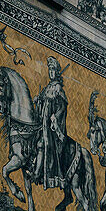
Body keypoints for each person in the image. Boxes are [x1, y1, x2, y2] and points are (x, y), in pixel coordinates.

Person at [36, 56, 68, 188]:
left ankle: (41, 173)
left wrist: (56, 115)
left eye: (53, 70)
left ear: (57, 72)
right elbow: (44, 102)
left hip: (51, 124)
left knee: (45, 143)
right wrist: (38, 100)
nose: (51, 72)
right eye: (49, 69)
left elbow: (63, 105)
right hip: (42, 120)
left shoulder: (58, 88)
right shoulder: (47, 87)